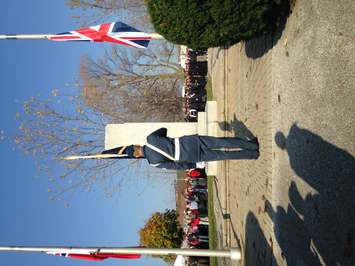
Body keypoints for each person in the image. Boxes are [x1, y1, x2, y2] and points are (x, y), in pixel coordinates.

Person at [102, 127, 259, 170]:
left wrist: (193, 165)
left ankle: (252, 155)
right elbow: (163, 130)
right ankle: (252, 145)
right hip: (191, 143)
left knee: (222, 157)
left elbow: (177, 166)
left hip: (191, 157)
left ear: (137, 157)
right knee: (223, 142)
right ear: (135, 146)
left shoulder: (154, 164)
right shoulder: (150, 139)